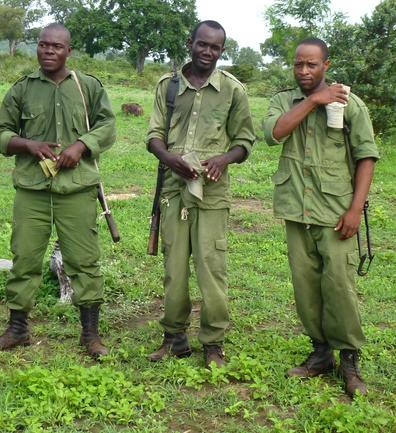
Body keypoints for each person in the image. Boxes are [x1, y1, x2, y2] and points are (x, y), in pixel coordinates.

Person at [0, 23, 116, 358]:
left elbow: (107, 126)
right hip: (33, 190)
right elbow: (0, 132)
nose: (48, 51)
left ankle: (90, 335)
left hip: (76, 190)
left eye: (56, 47)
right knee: (24, 258)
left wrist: (82, 146)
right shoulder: (22, 89)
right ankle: (17, 329)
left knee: (84, 262)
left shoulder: (87, 87)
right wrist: (27, 144)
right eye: (43, 45)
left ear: (68, 51)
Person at [262, 37, 379, 398]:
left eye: (312, 65)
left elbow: (366, 157)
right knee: (306, 287)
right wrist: (314, 99)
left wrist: (355, 209)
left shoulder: (350, 104)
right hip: (297, 211)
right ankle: (320, 353)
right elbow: (274, 133)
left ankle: (349, 361)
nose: (304, 71)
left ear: (326, 66)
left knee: (339, 287)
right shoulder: (284, 100)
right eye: (299, 64)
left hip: (335, 213)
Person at [146, 21, 255, 368]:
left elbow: (245, 141)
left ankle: (213, 343)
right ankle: (175, 337)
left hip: (212, 193)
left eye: (215, 48)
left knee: (211, 268)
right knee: (174, 269)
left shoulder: (233, 90)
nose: (207, 52)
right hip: (174, 191)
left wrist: (224, 158)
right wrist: (169, 159)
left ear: (222, 51)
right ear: (190, 42)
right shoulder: (168, 86)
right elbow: (153, 136)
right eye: (202, 45)